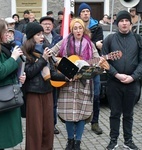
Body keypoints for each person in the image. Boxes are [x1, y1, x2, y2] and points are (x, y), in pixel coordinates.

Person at [51, 18, 109, 150]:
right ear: (71, 30)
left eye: (80, 28)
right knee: (68, 113)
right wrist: (60, 65)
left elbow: (96, 60)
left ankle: (77, 142)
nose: (78, 30)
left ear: (84, 29)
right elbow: (51, 54)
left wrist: (98, 63)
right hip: (68, 84)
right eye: (75, 28)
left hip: (84, 83)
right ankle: (70, 140)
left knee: (82, 113)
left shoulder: (90, 44)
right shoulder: (64, 42)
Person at [21, 22, 67, 150]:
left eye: (42, 34)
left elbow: (52, 73)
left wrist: (66, 77)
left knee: (48, 128)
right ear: (31, 37)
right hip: (33, 94)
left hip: (47, 92)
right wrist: (43, 59)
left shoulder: (46, 49)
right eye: (38, 34)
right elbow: (29, 72)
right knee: (35, 129)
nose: (42, 36)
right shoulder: (25, 52)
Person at [102, 10, 142, 150]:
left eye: (127, 21)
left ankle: (128, 140)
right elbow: (104, 62)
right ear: (117, 23)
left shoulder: (138, 39)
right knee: (114, 113)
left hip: (132, 83)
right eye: (121, 21)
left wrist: (133, 76)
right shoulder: (110, 39)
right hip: (114, 83)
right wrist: (116, 74)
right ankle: (113, 141)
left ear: (130, 24)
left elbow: (141, 62)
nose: (124, 23)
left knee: (129, 114)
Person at [0, 18, 26, 150]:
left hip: (5, 98)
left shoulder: (4, 48)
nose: (8, 34)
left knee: (1, 141)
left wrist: (19, 78)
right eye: (5, 31)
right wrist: (13, 58)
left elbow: (9, 70)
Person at [78, 2, 103, 135]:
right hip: (79, 66)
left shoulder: (97, 27)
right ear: (80, 14)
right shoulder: (76, 27)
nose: (86, 13)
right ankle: (79, 121)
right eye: (83, 12)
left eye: (87, 11)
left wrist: (92, 44)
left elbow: (99, 45)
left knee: (96, 95)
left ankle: (95, 122)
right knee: (79, 95)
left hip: (94, 65)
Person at [40, 16, 63, 134]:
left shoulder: (59, 38)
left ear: (53, 26)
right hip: (42, 74)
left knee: (53, 102)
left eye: (49, 24)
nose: (47, 26)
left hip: (56, 73)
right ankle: (42, 124)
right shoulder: (38, 39)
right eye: (44, 24)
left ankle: (52, 124)